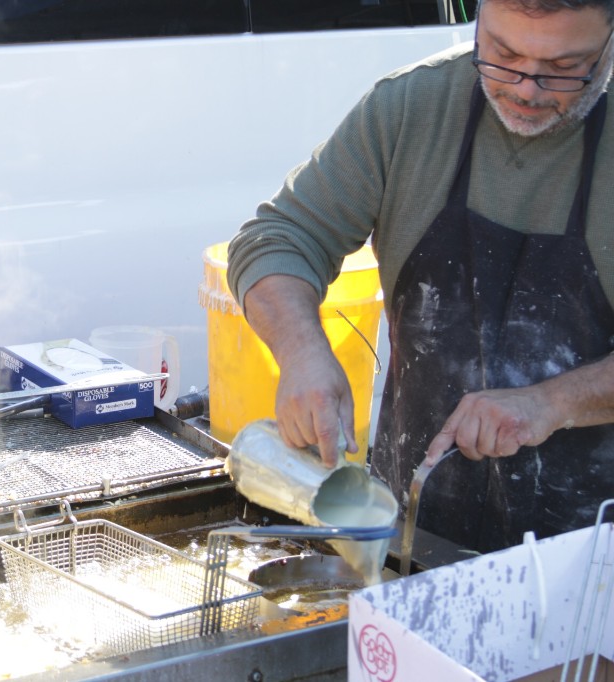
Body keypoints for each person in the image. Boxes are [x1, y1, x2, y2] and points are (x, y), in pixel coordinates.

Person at [226, 0, 614, 552]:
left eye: (563, 67)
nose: (527, 89)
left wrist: (552, 403)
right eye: (503, 54)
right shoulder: (412, 108)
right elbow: (278, 238)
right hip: (410, 531)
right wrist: (301, 351)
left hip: (590, 567)